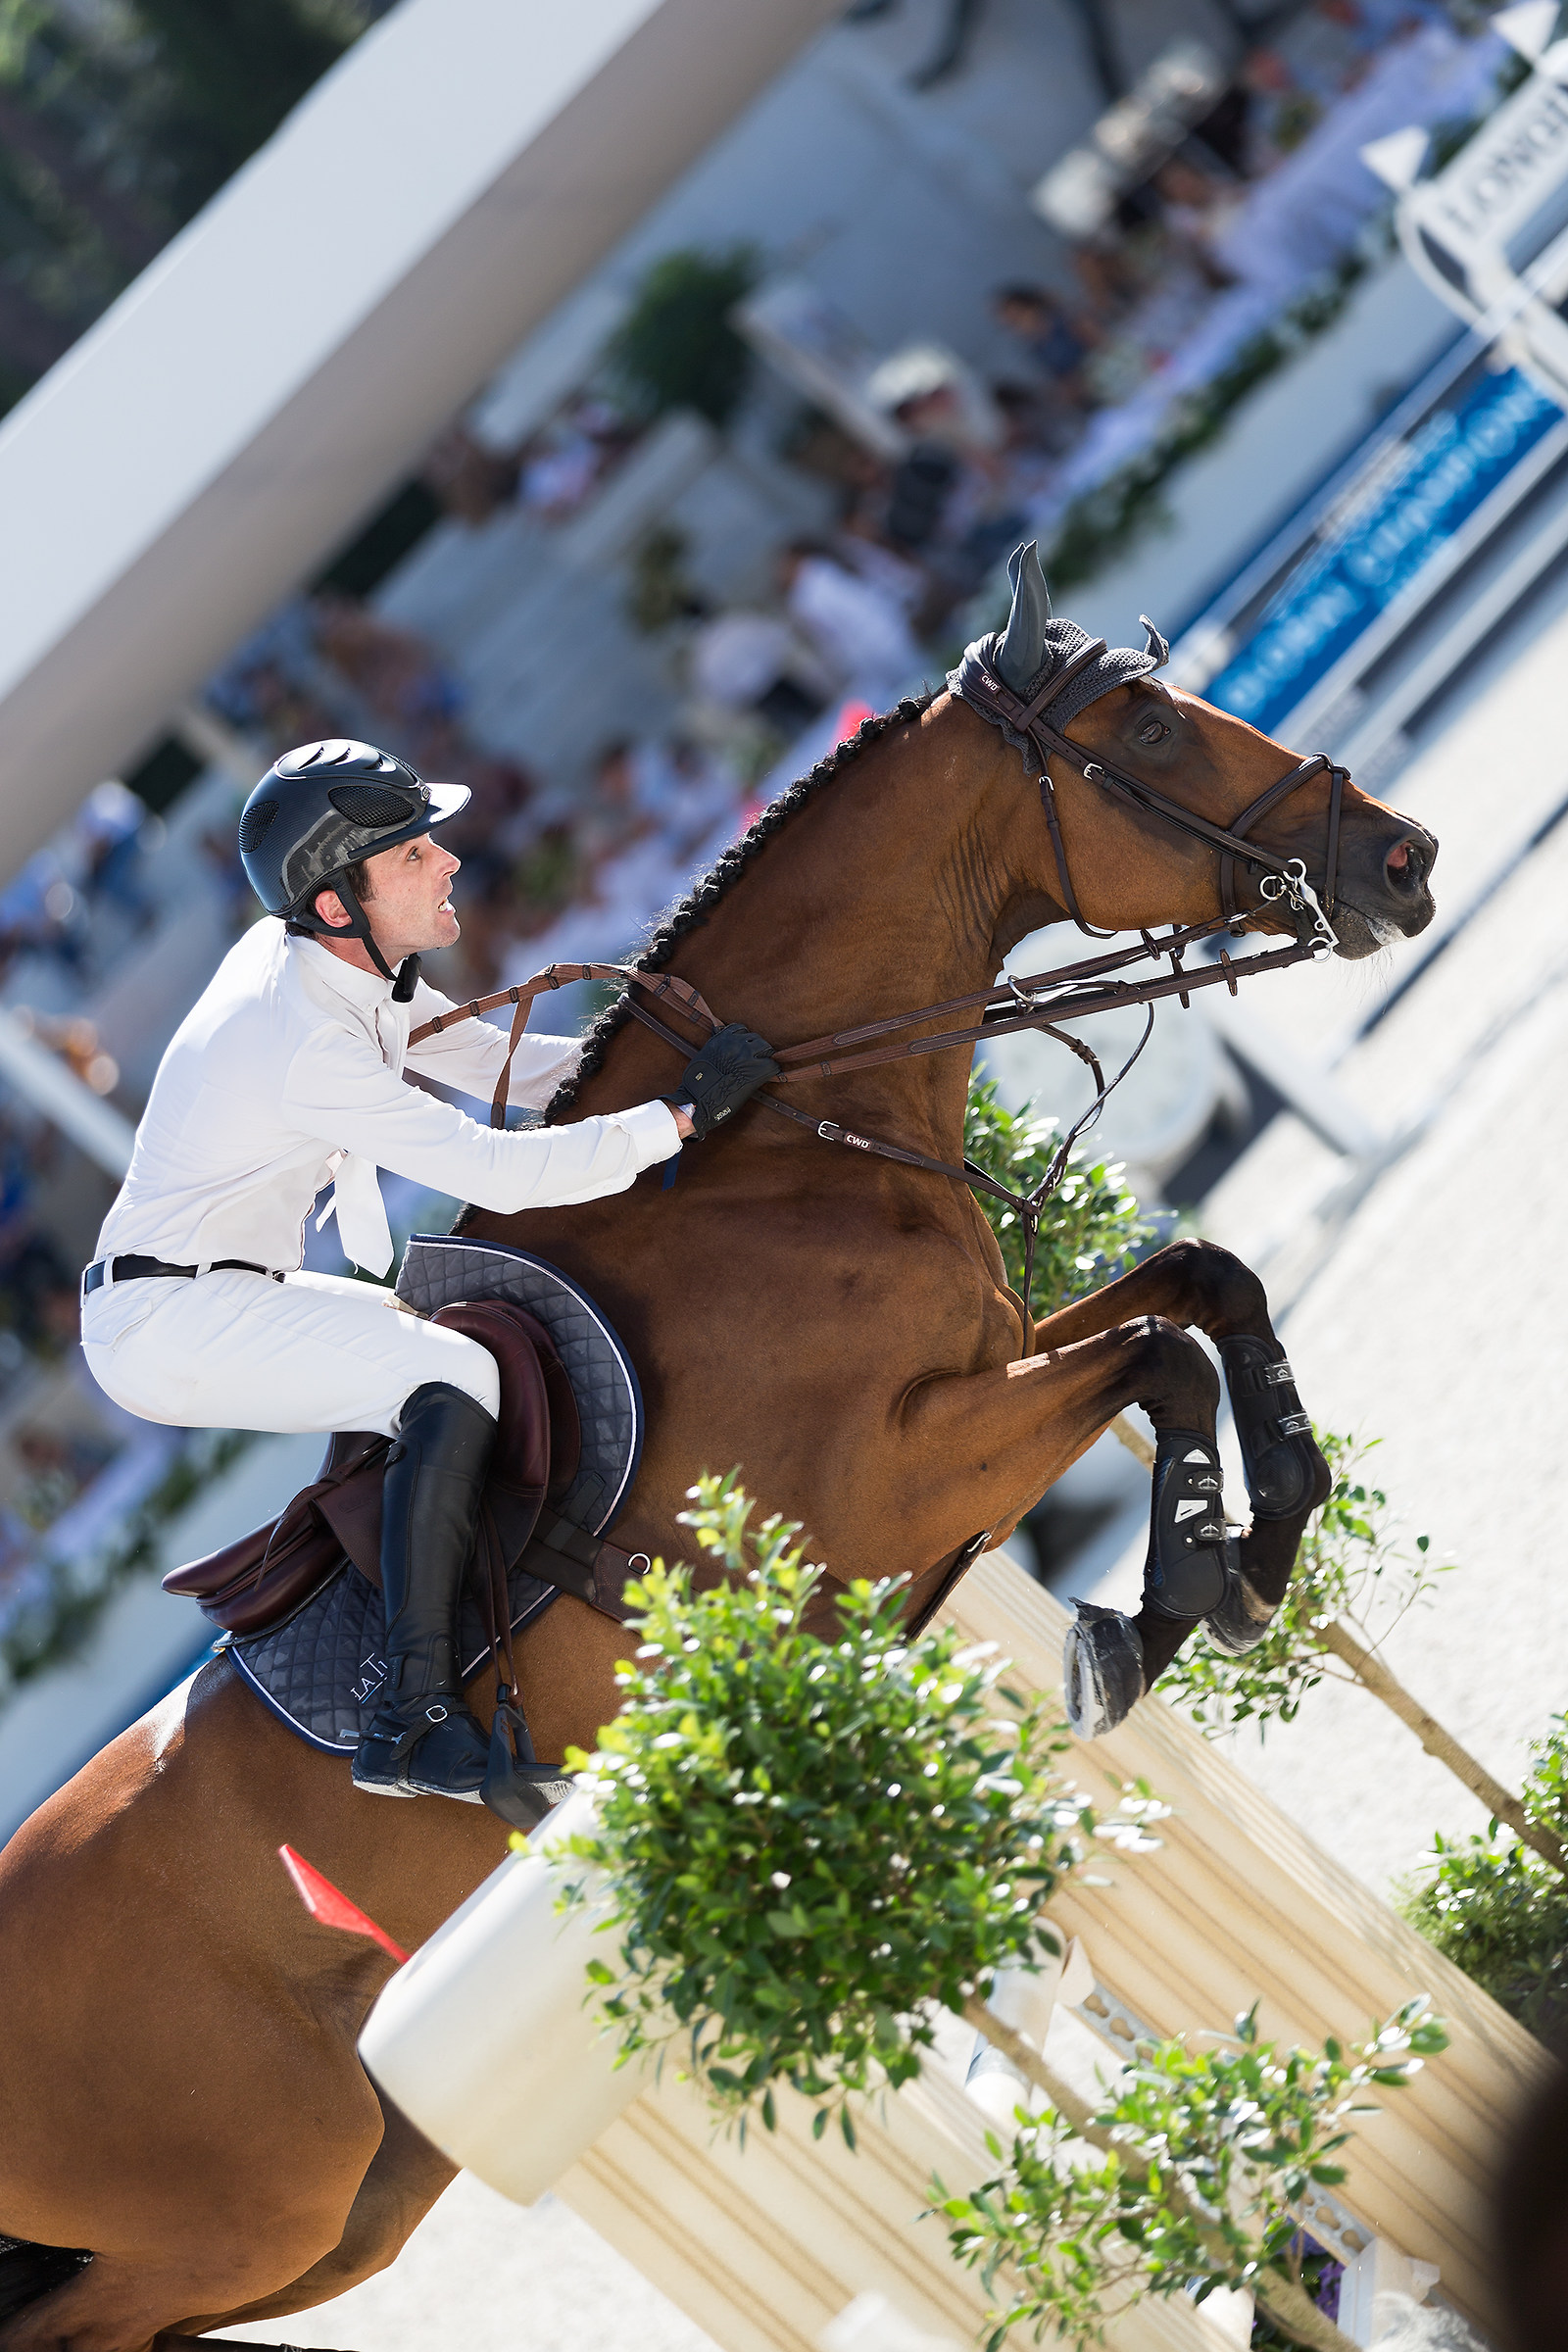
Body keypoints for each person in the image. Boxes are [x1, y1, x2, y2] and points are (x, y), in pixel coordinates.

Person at [78, 740, 778, 1807]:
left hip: (209, 1289)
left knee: (445, 1365)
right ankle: (410, 1723)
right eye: (410, 854)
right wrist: (676, 1118)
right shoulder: (303, 1035)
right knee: (451, 1379)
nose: (446, 860)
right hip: (167, 1325)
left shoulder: (334, 971)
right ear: (333, 905)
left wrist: (667, 1065)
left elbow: (501, 1070)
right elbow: (497, 1165)